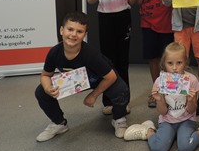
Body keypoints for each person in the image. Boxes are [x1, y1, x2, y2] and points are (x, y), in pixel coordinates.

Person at [34, 12, 130, 142]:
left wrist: (93, 95)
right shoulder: (54, 52)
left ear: (84, 35)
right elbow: (45, 75)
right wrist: (47, 88)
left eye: (79, 31)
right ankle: (59, 123)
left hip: (101, 79)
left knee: (121, 90)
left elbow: (111, 77)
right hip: (74, 81)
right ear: (61, 30)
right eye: (70, 29)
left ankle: (119, 119)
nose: (73, 34)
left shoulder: (91, 55)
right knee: (41, 91)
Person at [123, 42, 199, 151]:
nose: (174, 68)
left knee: (185, 147)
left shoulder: (191, 80)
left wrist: (190, 101)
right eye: (170, 63)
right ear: (164, 64)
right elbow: (163, 112)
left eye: (179, 63)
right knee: (158, 148)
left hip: (187, 120)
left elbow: (192, 111)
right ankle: (148, 130)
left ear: (185, 63)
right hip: (167, 121)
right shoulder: (160, 82)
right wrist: (160, 99)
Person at [87, 0, 138, 115]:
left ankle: (123, 101)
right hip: (105, 18)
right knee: (107, 61)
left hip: (123, 17)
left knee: (122, 60)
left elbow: (131, 1)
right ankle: (108, 101)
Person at [132, 0, 173, 109]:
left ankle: (169, 90)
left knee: (168, 59)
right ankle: (156, 90)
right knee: (153, 58)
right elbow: (139, 1)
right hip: (148, 22)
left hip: (167, 21)